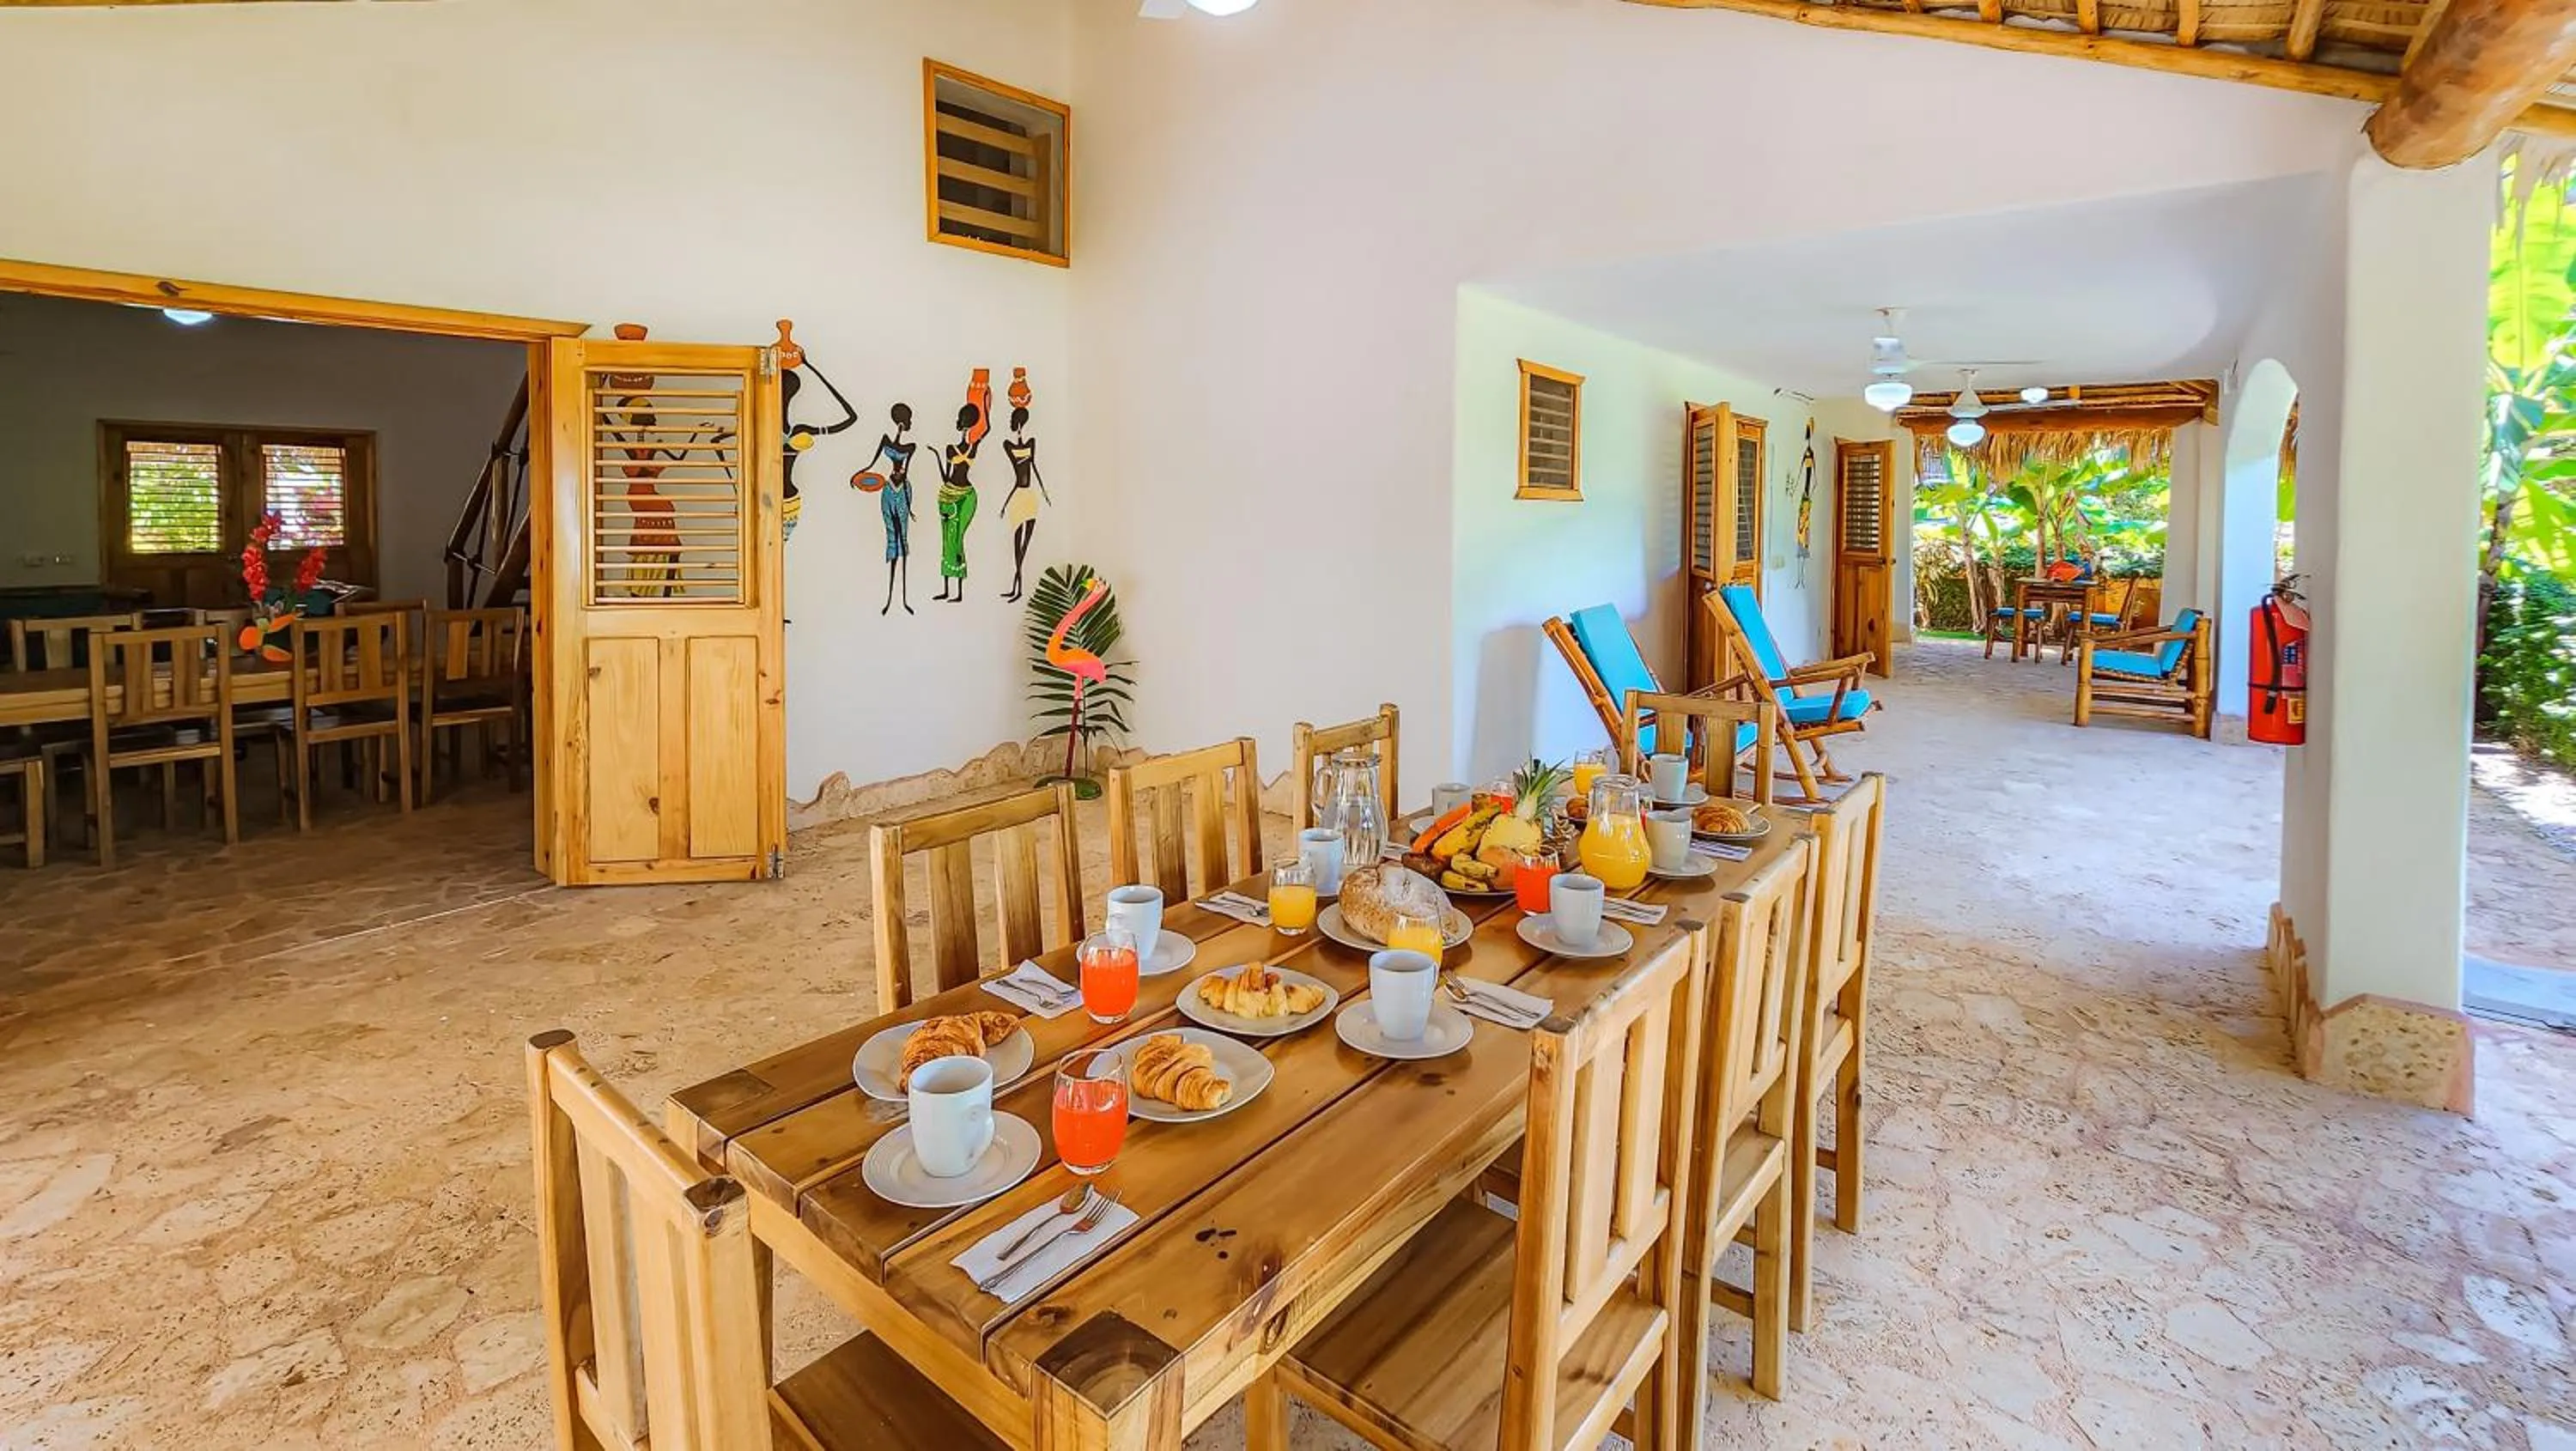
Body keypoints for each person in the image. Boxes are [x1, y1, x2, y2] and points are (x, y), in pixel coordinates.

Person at [852, 404, 918, 616]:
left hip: (902, 490)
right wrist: (860, 474)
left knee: (903, 539)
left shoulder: (911, 447)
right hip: (889, 489)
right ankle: (890, 597)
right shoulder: (887, 441)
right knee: (892, 538)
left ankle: (904, 597)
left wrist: (909, 506)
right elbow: (872, 463)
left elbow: (907, 472)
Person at [933, 370, 991, 603]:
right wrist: (938, 458)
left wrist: (984, 399)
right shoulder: (957, 449)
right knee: (947, 540)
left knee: (956, 540)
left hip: (965, 496)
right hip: (949, 496)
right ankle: (949, 588)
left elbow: (986, 428)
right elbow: (946, 477)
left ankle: (957, 590)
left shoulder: (964, 448)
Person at [998, 403, 1050, 602]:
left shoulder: (1032, 443)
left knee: (1025, 545)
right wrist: (1005, 504)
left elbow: (1034, 468)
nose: (1019, 426)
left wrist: (1044, 491)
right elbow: (1017, 474)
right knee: (1016, 544)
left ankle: (1018, 588)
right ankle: (1015, 588)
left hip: (1030, 497)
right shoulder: (1008, 445)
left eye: (1021, 422)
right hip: (1018, 497)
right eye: (1017, 422)